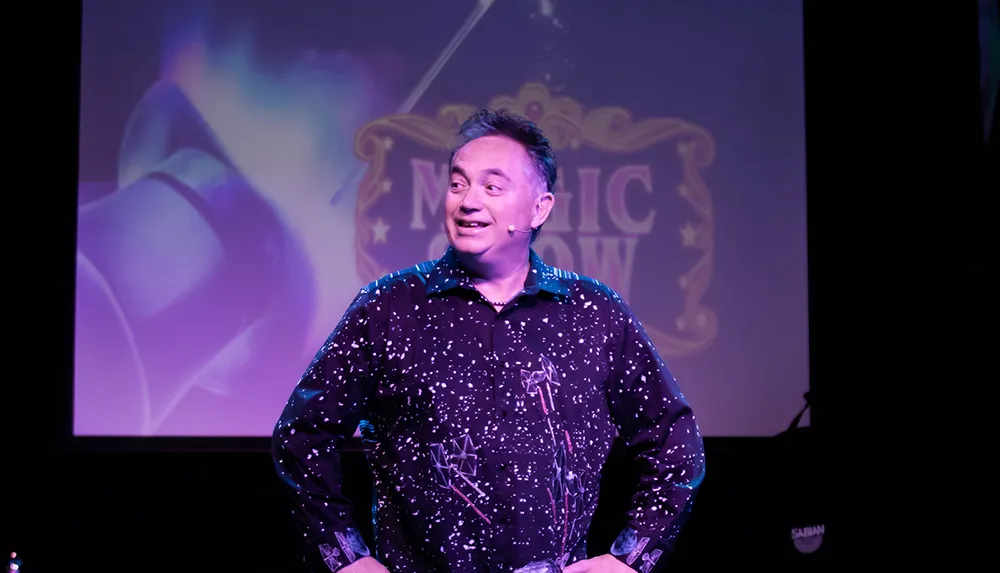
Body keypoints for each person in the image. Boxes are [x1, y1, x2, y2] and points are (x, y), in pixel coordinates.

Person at [272, 109, 706, 573]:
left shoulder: (595, 312)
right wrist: (345, 558)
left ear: (540, 208)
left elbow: (675, 444)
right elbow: (302, 436)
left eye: (492, 187)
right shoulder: (388, 307)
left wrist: (630, 560)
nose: (468, 201)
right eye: (458, 184)